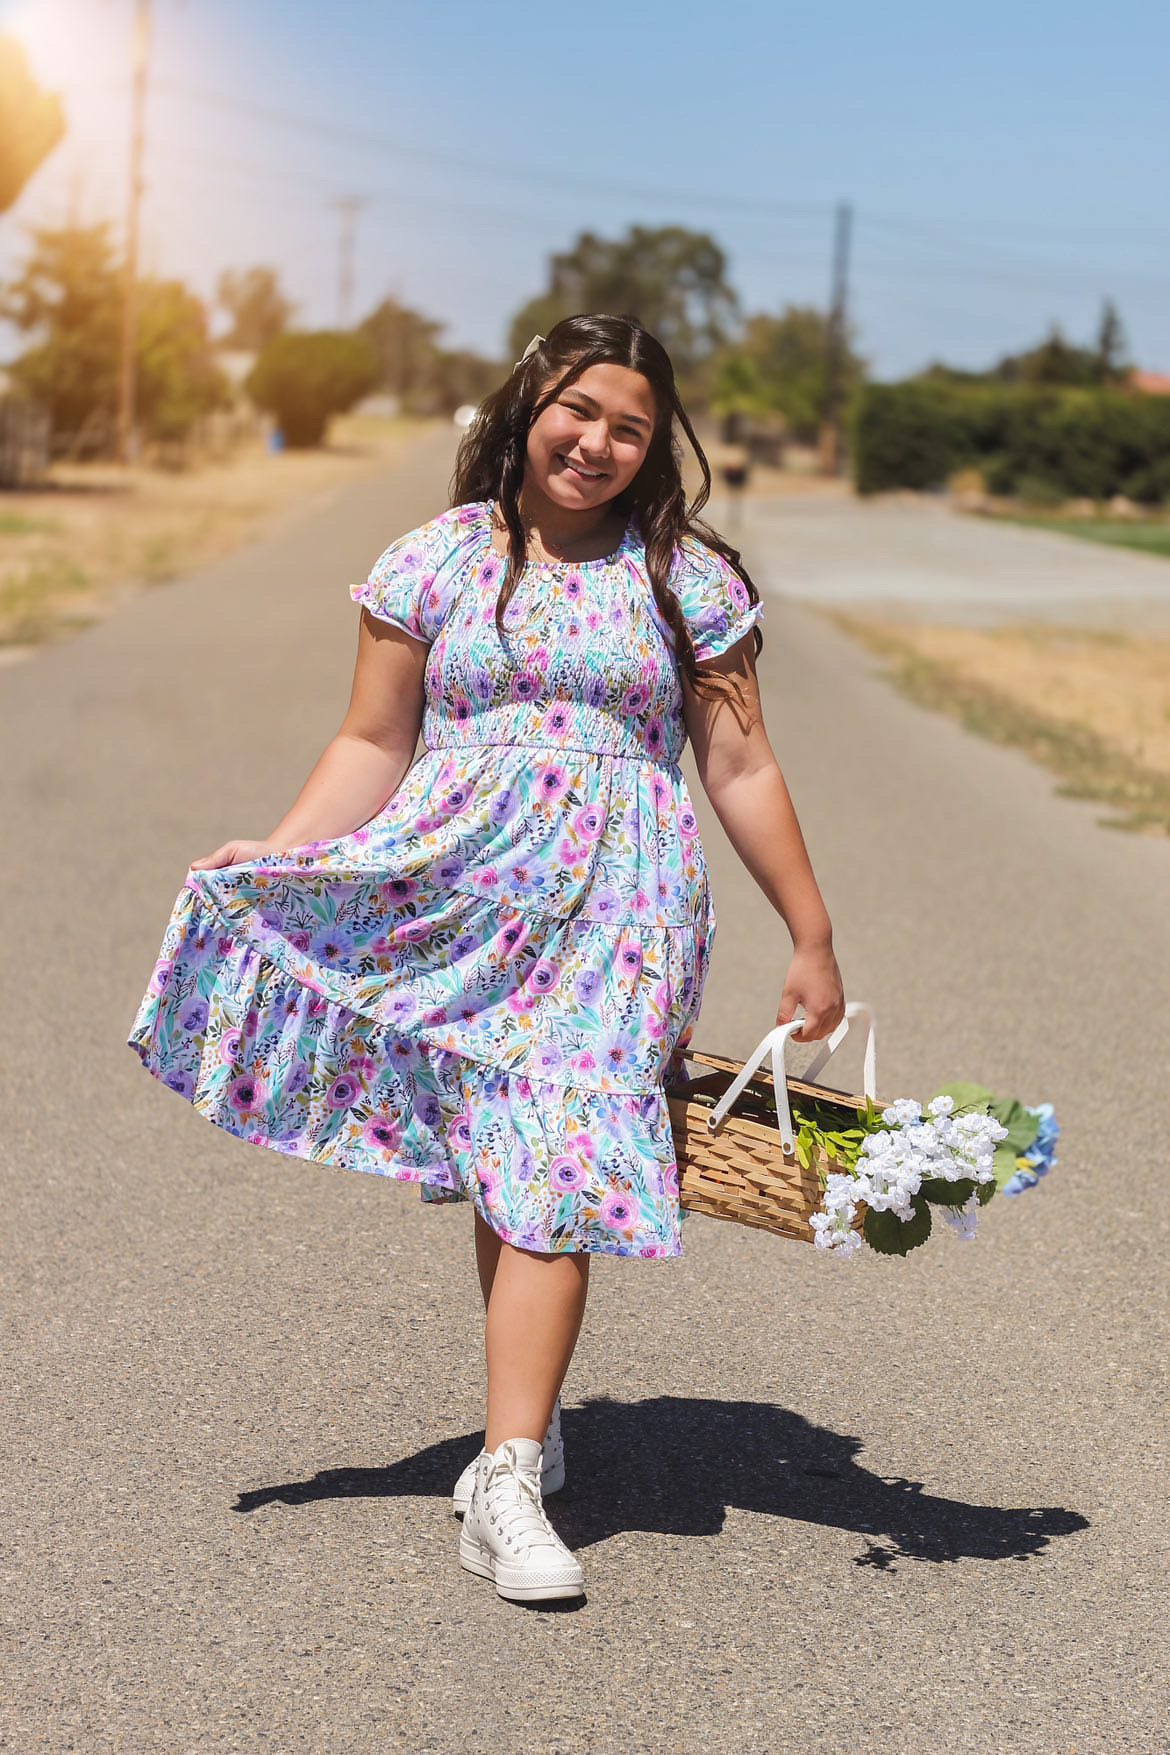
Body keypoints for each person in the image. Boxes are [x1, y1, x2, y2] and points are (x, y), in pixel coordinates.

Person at [127, 312, 845, 1606]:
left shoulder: (684, 578)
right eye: (580, 411)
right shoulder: (437, 560)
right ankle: (530, 1420)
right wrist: (283, 852)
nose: (599, 443)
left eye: (630, 426)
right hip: (463, 903)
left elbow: (739, 761)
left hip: (623, 916)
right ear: (528, 408)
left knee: (559, 1157)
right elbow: (372, 739)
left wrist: (811, 931)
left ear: (656, 445)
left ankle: (505, 1475)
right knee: (511, 1159)